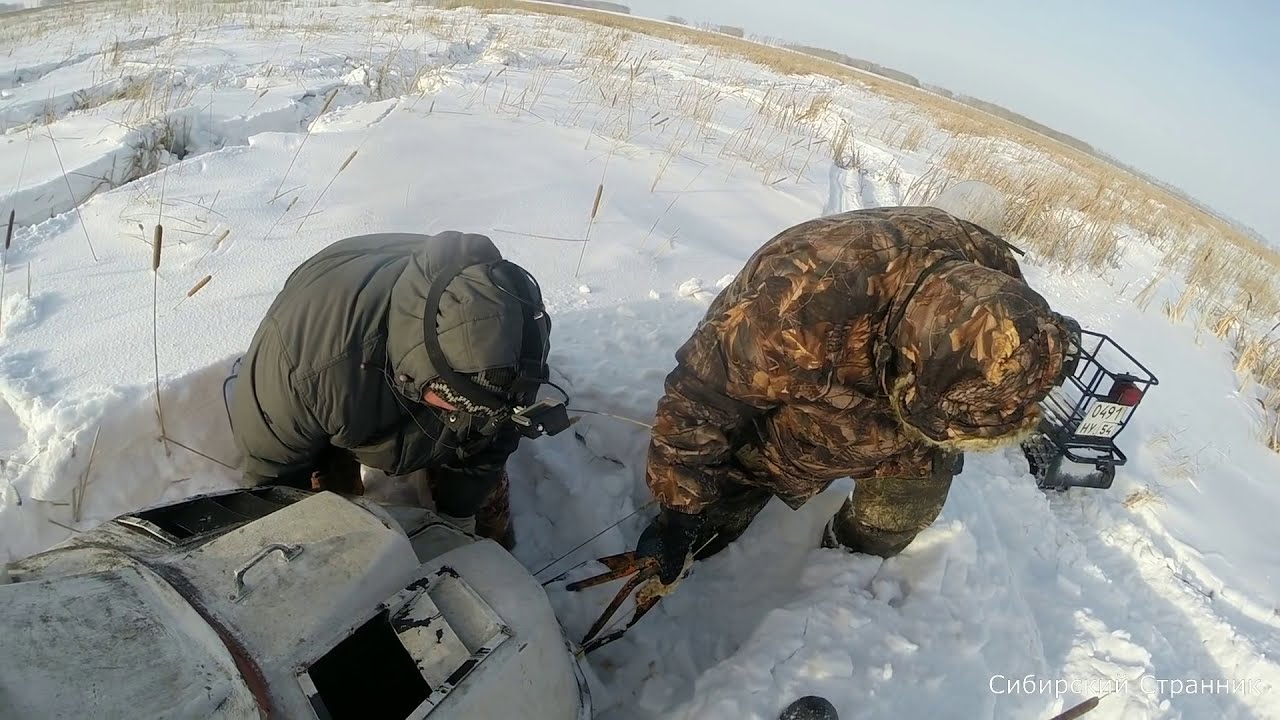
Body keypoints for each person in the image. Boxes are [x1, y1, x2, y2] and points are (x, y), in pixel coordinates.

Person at [630, 200, 1079, 586]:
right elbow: (700, 401)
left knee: (904, 506)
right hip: (791, 378)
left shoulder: (998, 286)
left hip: (896, 371)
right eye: (945, 424)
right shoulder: (797, 315)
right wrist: (678, 510)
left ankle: (845, 565)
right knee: (725, 499)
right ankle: (717, 521)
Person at [227, 230, 563, 550]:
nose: (460, 414)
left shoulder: (514, 358)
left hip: (412, 346)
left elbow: (492, 444)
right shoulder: (308, 370)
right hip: (343, 354)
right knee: (324, 509)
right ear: (420, 372)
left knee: (481, 494)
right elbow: (273, 475)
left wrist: (459, 516)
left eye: (474, 408)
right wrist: (294, 546)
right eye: (450, 400)